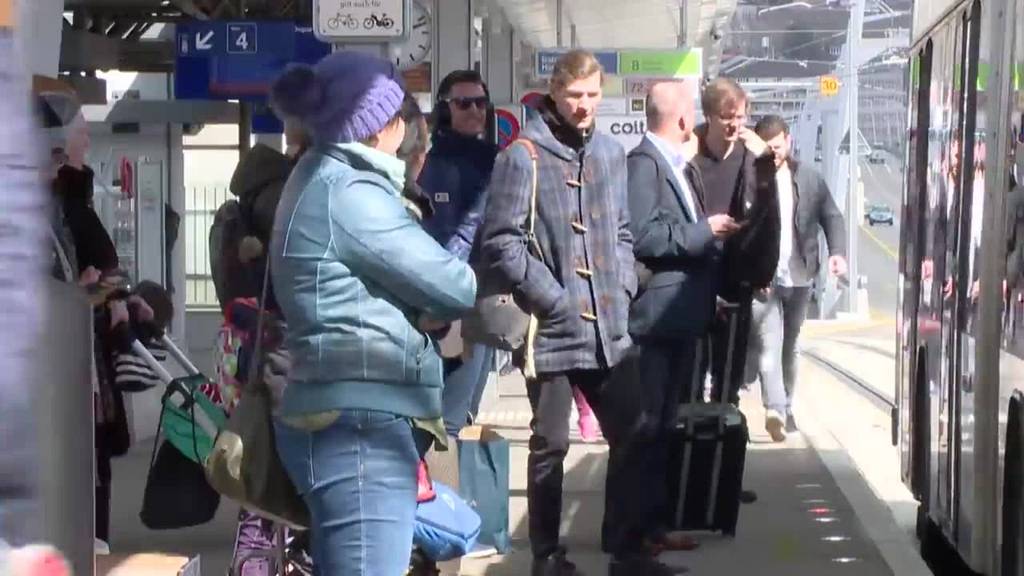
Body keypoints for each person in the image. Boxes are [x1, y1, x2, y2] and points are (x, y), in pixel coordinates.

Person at [267, 51, 477, 576]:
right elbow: (454, 284)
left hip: (340, 414)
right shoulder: (351, 192)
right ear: (384, 125)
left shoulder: (319, 178)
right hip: (360, 428)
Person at [479, 49, 636, 576]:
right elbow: (500, 241)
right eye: (575, 95)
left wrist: (626, 285)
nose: (585, 105)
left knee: (631, 430)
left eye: (593, 95)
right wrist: (552, 296)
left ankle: (626, 547)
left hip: (608, 325)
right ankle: (546, 555)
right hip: (549, 329)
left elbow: (621, 232)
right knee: (552, 443)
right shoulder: (523, 155)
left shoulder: (611, 153)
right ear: (554, 92)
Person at [602, 80, 740, 575]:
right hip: (654, 322)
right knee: (641, 430)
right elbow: (642, 236)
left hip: (678, 318)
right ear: (682, 120)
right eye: (694, 116)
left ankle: (652, 529)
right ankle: (627, 539)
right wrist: (707, 230)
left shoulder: (671, 165)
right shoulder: (645, 164)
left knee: (660, 428)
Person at [690, 78, 780, 503]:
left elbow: (769, 219)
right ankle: (687, 474)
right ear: (708, 116)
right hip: (691, 284)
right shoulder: (689, 155)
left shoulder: (750, 159)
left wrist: (760, 269)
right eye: (727, 118)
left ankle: (723, 478)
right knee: (689, 385)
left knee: (727, 389)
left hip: (736, 282)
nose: (735, 126)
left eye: (740, 118)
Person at [747, 115, 847, 438]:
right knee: (769, 343)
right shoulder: (750, 179)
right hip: (764, 279)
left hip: (800, 275)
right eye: (767, 148)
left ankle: (786, 405)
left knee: (789, 346)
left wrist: (837, 253)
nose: (773, 153)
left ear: (788, 141)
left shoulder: (809, 178)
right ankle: (774, 407)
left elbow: (831, 215)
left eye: (777, 146)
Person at [418, 70, 500, 437]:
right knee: (445, 419)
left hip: (479, 298)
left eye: (480, 103)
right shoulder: (427, 164)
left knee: (463, 412)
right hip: (442, 299)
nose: (474, 110)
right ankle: (439, 489)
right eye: (463, 103)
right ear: (444, 108)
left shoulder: (495, 161)